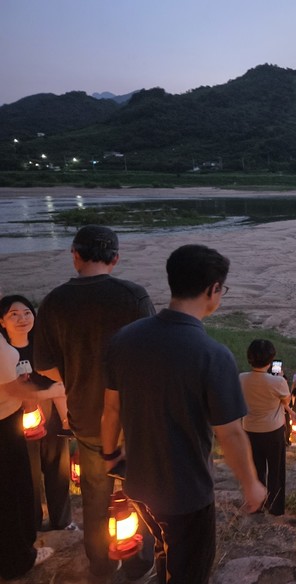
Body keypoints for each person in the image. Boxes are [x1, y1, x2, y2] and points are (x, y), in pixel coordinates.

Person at [101, 244, 267, 584]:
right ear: (213, 290)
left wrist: (109, 454)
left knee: (164, 550)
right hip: (187, 494)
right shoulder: (212, 354)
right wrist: (251, 484)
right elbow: (230, 433)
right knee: (189, 570)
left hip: (139, 484)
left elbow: (111, 408)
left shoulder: (125, 339)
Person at [33, 225, 155, 582]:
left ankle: (100, 564)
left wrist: (74, 376)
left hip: (86, 419)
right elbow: (152, 356)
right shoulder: (133, 296)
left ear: (75, 255)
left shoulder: (54, 301)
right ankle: (138, 562)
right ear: (115, 258)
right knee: (140, 491)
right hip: (133, 420)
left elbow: (44, 366)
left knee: (95, 497)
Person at [0, 294, 74, 532]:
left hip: (49, 411)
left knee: (58, 469)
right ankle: (31, 525)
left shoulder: (43, 347)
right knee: (28, 475)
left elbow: (59, 382)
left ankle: (62, 521)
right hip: (17, 417)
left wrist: (65, 418)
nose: (22, 319)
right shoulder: (4, 353)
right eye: (14, 314)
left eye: (27, 313)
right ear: (2, 322)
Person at [0, 329, 58, 579]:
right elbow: (14, 389)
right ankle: (18, 560)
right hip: (3, 426)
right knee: (12, 493)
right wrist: (54, 391)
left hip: (6, 420)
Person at [240, 339, 296, 515]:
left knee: (255, 469)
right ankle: (275, 507)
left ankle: (256, 505)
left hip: (250, 429)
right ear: (271, 360)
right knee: (276, 470)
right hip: (273, 430)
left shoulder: (241, 378)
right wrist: (281, 379)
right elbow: (286, 400)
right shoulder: (277, 382)